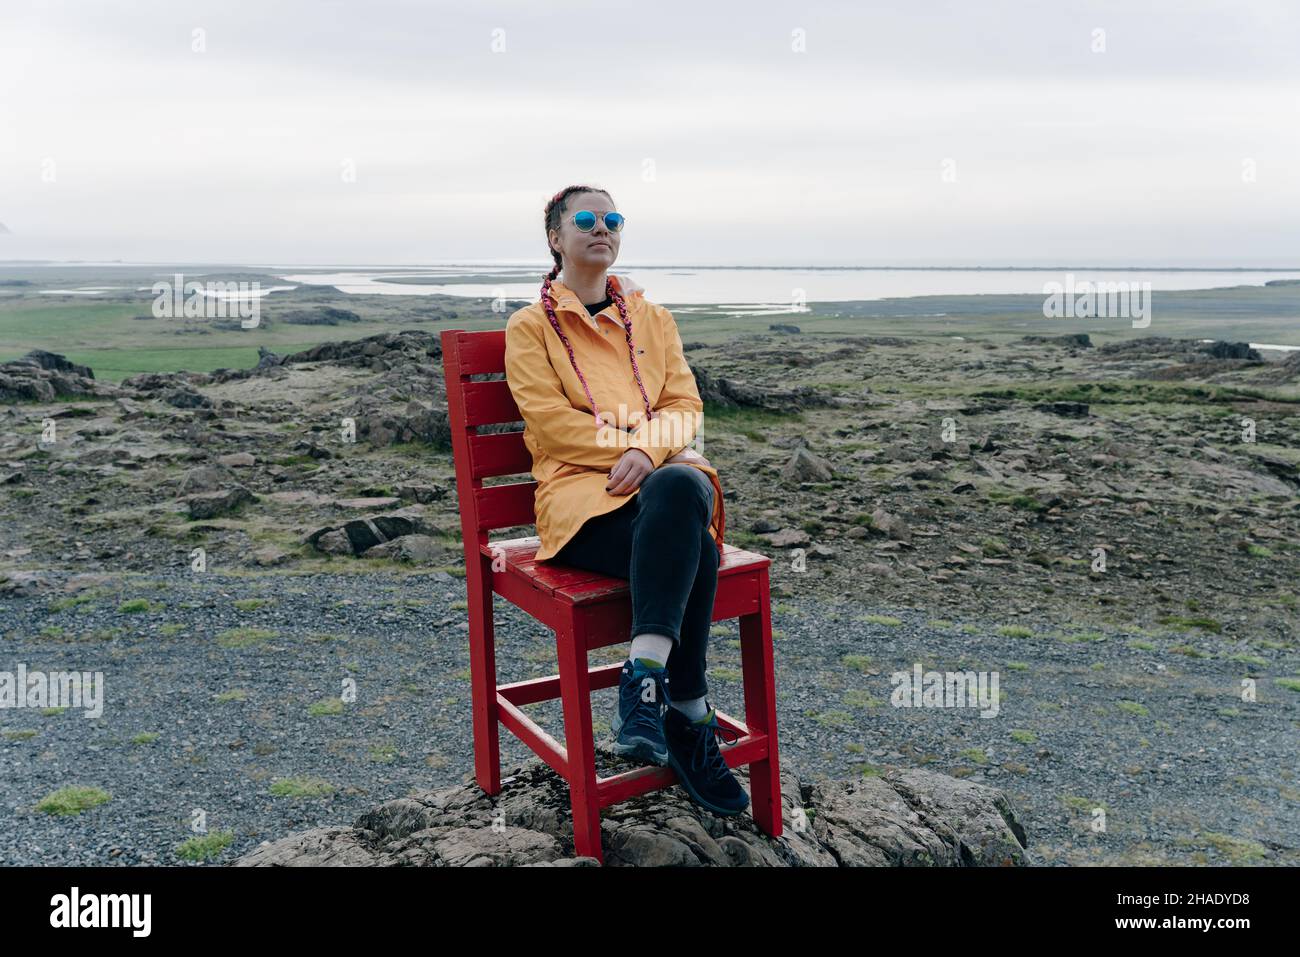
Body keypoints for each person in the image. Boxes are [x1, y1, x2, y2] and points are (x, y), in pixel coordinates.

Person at [502, 184, 748, 816]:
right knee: (694, 540)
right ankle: (690, 714)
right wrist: (628, 453)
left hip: (657, 492)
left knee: (681, 485)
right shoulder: (531, 327)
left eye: (612, 219)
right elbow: (550, 422)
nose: (601, 228)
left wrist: (650, 453)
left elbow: (683, 405)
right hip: (583, 507)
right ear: (556, 237)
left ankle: (644, 680)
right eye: (585, 219)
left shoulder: (653, 319)